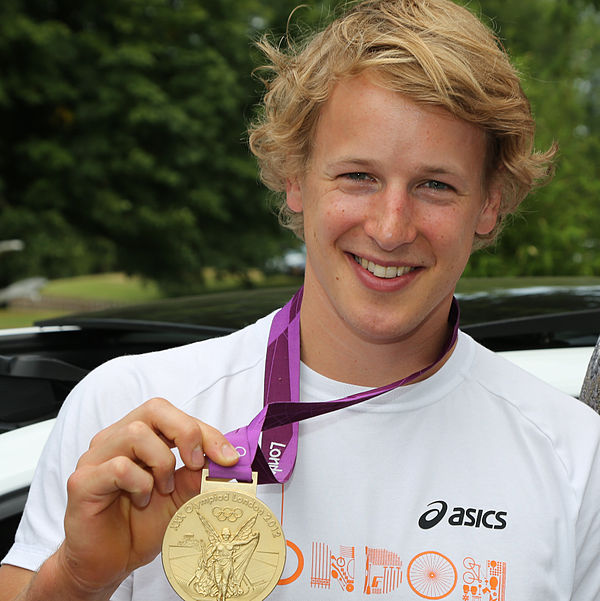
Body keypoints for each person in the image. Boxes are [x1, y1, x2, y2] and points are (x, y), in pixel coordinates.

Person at [2, 0, 600, 599]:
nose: (391, 228)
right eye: (358, 176)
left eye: (435, 185)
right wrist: (80, 579)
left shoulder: (576, 457)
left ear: (489, 204)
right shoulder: (131, 414)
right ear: (295, 176)